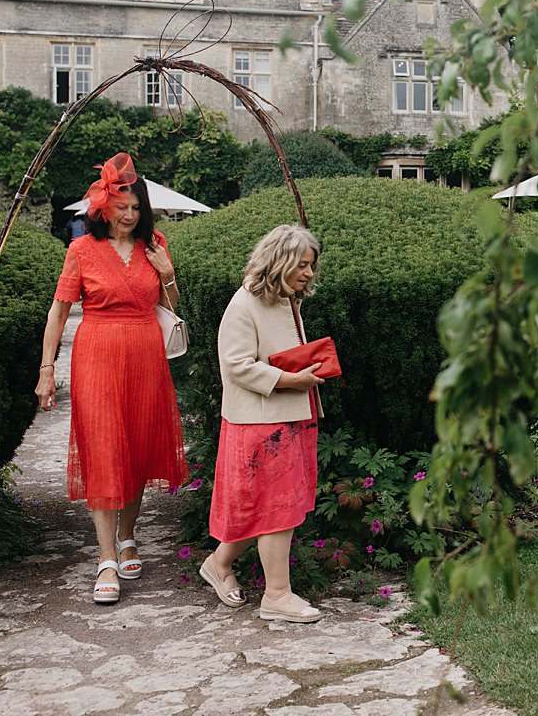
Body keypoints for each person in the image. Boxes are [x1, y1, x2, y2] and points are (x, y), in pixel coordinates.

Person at [35, 152, 188, 606]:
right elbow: (60, 310)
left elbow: (172, 308)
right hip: (97, 355)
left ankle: (127, 535)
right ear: (103, 206)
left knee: (137, 448)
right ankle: (105, 557)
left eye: (136, 207)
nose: (129, 215)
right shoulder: (81, 249)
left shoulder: (154, 244)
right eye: (122, 206)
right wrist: (46, 371)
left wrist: (169, 275)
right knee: (102, 449)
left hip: (145, 353)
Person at [199, 224, 326, 623]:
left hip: (290, 416)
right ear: (280, 262)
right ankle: (277, 595)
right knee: (275, 509)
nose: (309, 273)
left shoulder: (286, 300)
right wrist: (291, 380)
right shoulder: (245, 303)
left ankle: (218, 564)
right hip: (260, 423)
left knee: (270, 506)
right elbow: (236, 366)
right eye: (302, 265)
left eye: (310, 266)